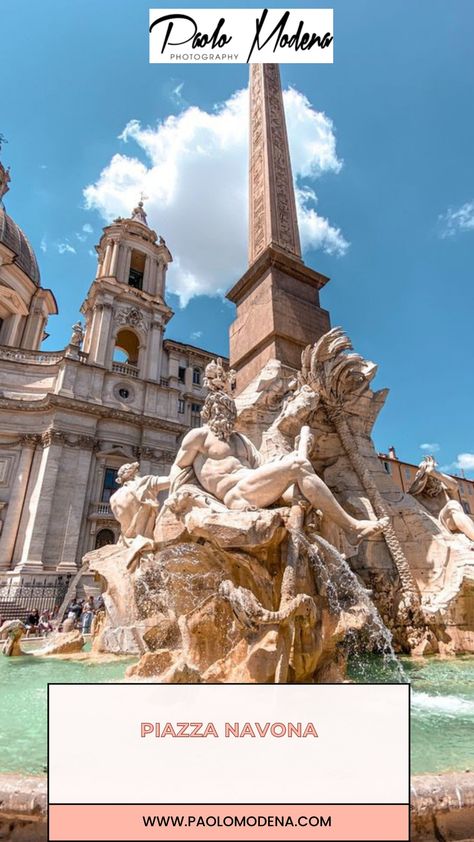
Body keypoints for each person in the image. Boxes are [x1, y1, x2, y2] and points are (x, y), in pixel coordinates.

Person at [169, 374, 387, 544]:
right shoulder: (198, 436)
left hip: (256, 487)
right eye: (217, 408)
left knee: (309, 491)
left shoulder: (241, 440)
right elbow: (179, 470)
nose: (222, 413)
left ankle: (342, 545)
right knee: (298, 465)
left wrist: (297, 450)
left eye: (227, 409)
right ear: (207, 411)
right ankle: (352, 528)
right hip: (236, 496)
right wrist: (183, 500)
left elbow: (263, 468)